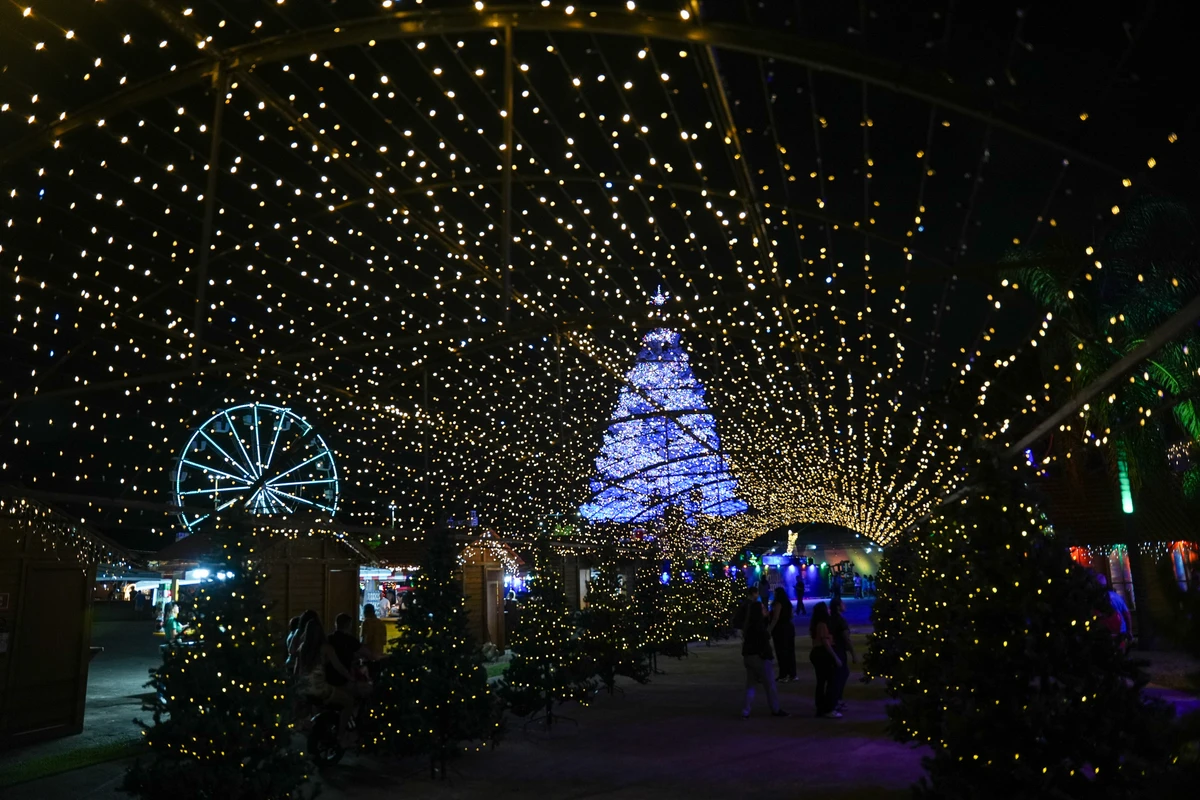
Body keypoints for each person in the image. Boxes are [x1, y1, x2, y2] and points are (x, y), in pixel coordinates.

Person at [294, 617, 356, 744]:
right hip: (319, 688)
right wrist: (351, 678)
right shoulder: (326, 648)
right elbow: (339, 667)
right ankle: (340, 735)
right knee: (349, 701)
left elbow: (296, 670)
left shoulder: (302, 648)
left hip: (303, 688)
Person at [741, 591, 787, 718]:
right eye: (762, 608)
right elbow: (764, 642)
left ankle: (745, 711)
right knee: (770, 686)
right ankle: (776, 709)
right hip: (760, 658)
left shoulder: (749, 625)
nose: (765, 609)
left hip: (749, 657)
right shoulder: (759, 627)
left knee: (750, 685)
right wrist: (768, 657)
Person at [809, 601, 843, 718]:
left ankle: (821, 708)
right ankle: (828, 708)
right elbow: (826, 643)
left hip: (816, 653)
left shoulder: (815, 624)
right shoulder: (822, 625)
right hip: (822, 654)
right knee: (831, 681)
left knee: (821, 682)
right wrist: (835, 657)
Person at [829, 596, 856, 712]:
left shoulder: (830, 619)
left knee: (838, 675)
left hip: (833, 649)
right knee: (841, 675)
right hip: (839, 650)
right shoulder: (841, 621)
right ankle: (835, 701)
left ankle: (836, 700)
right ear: (838, 607)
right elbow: (846, 639)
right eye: (842, 604)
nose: (844, 606)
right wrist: (853, 654)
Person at [770, 586, 797, 682]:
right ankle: (792, 674)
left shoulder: (778, 603)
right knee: (790, 651)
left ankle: (783, 674)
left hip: (780, 629)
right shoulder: (788, 603)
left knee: (781, 652)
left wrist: (769, 629)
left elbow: (775, 618)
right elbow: (792, 615)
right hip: (789, 627)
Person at [1095, 573, 1132, 642]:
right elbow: (1127, 614)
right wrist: (1129, 631)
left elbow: (1127, 614)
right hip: (1120, 630)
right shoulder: (1116, 597)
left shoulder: (1096, 599)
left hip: (1108, 631)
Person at [361, 604, 387, 679]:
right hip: (379, 656)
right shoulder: (382, 624)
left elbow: (365, 640)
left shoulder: (366, 623)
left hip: (369, 656)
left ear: (365, 612)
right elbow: (384, 641)